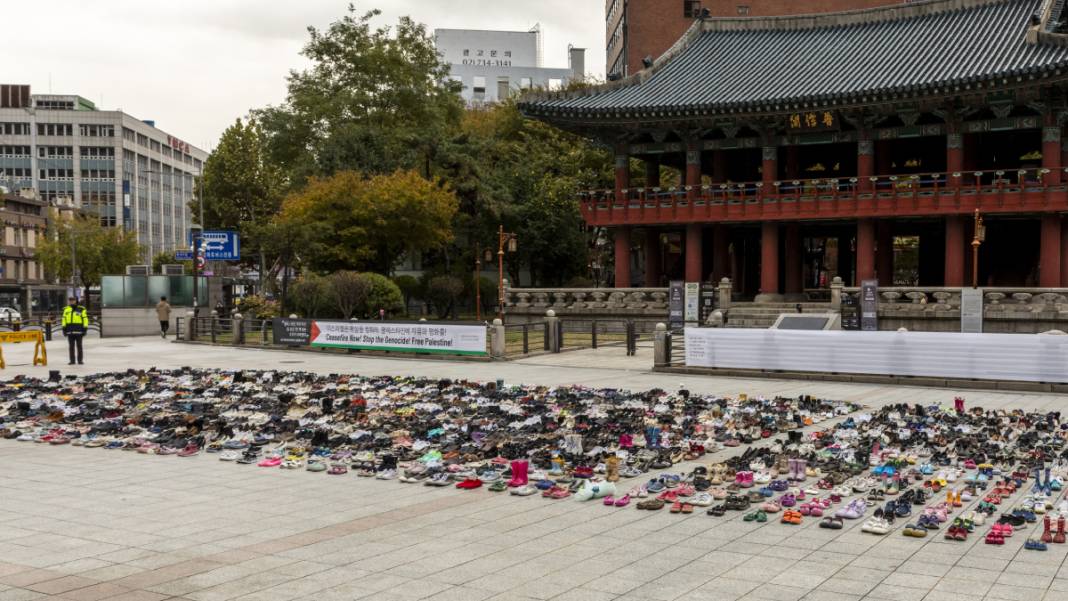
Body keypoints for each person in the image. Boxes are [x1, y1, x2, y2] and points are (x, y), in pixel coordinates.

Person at [61, 296, 88, 365]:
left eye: (73, 300)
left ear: (76, 301)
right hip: (70, 330)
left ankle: (80, 360)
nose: (71, 301)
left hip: (79, 330)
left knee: (79, 346)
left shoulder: (81, 309)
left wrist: (85, 329)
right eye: (70, 300)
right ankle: (72, 361)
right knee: (71, 347)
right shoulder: (66, 309)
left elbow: (85, 319)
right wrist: (64, 329)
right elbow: (64, 319)